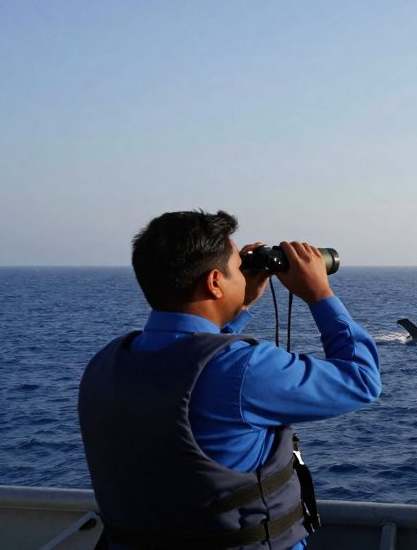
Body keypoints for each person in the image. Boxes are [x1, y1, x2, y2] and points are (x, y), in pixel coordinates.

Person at [78, 210, 382, 550]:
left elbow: (189, 363)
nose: (243, 273)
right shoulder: (243, 369)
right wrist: (320, 294)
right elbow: (361, 379)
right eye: (237, 268)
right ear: (213, 282)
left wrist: (238, 307)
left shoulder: (106, 363)